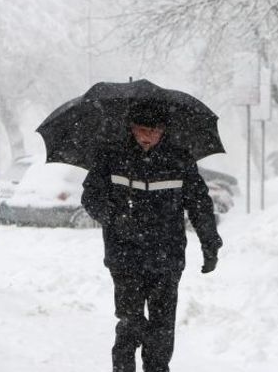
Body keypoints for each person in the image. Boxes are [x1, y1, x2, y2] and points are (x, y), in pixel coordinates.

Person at [81, 100, 223, 372]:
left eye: (155, 131)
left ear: (164, 130)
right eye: (142, 130)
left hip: (166, 258)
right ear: (131, 128)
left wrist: (210, 243)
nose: (148, 137)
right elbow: (90, 197)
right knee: (130, 323)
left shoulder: (179, 159)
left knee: (161, 328)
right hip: (125, 256)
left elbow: (199, 204)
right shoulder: (111, 156)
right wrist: (114, 216)